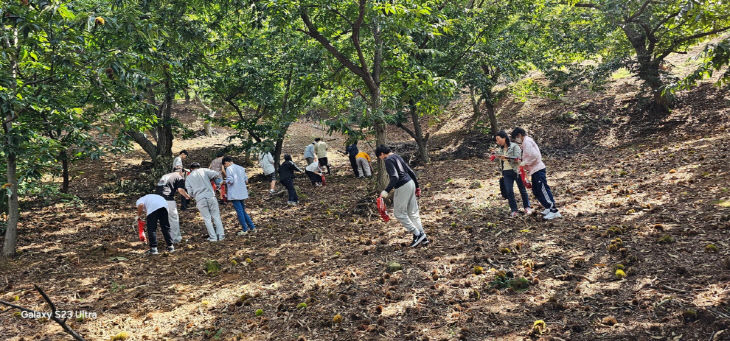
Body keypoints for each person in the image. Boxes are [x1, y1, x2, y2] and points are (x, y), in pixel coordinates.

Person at [376, 145, 428, 247]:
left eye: (380, 157)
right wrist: (417, 187)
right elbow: (411, 172)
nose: (381, 159)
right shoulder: (397, 156)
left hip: (402, 186)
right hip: (410, 183)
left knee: (399, 213)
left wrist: (386, 191)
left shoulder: (388, 160)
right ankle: (424, 238)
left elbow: (395, 177)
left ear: (382, 154)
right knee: (412, 213)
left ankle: (418, 234)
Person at [511, 127, 561, 219]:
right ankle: (547, 207)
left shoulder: (527, 142)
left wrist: (524, 162)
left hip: (538, 169)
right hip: (533, 170)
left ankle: (553, 210)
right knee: (536, 190)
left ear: (519, 135)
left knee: (543, 189)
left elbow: (534, 155)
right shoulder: (525, 143)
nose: (517, 140)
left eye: (516, 138)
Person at [491, 130, 532, 218]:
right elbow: (498, 159)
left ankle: (527, 207)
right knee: (509, 191)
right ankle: (514, 210)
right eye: (496, 140)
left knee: (522, 189)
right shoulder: (500, 149)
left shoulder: (514, 146)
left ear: (504, 138)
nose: (497, 142)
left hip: (516, 170)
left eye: (498, 139)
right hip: (506, 172)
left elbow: (518, 158)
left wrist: (506, 157)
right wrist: (495, 155)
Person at [185, 162, 225, 241]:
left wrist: (195, 195)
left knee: (207, 219)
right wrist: (213, 181)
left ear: (191, 169)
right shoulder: (204, 170)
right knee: (216, 216)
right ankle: (221, 235)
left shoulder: (188, 178)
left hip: (200, 199)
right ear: (199, 167)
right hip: (210, 196)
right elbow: (216, 174)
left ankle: (213, 237)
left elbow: (190, 193)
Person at [156, 167, 192, 244]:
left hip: (157, 200)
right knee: (173, 219)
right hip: (167, 199)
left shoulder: (165, 176)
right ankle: (176, 239)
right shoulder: (179, 177)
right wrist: (187, 196)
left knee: (164, 220)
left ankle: (168, 239)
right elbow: (180, 190)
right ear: (181, 172)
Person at [222, 156, 256, 235]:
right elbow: (246, 181)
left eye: (224, 164)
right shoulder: (241, 168)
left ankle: (244, 229)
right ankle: (252, 227)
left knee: (239, 211)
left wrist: (224, 182)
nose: (225, 166)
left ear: (227, 162)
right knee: (243, 211)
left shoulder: (229, 169)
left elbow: (230, 180)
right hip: (242, 191)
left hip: (235, 193)